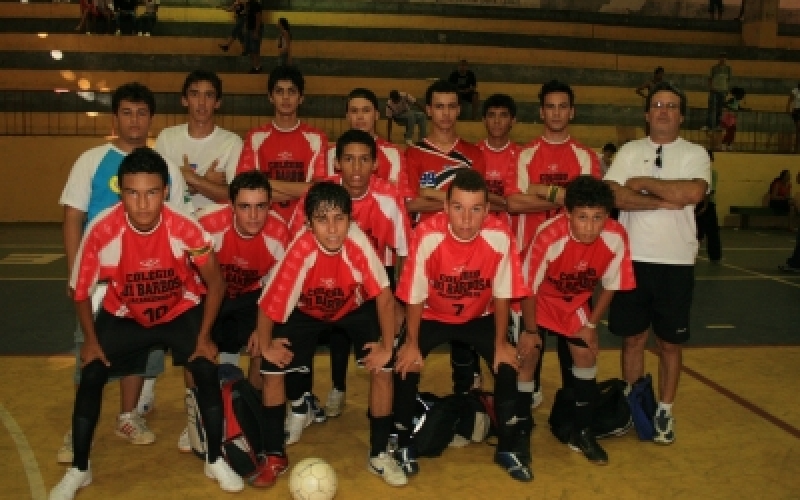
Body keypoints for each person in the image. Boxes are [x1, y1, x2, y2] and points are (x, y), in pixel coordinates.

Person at [49, 147, 243, 500]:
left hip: (178, 311)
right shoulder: (102, 230)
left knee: (204, 368)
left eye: (151, 192)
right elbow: (79, 292)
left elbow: (216, 283)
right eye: (132, 193)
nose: (142, 204)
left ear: (166, 191)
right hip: (125, 314)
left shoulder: (186, 229)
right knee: (91, 372)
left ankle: (215, 458)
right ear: (120, 192)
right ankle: (80, 468)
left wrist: (204, 337)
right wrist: (91, 342)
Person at [57, 82, 192, 465]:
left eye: (142, 113)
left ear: (152, 118)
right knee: (92, 350)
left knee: (138, 350)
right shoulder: (91, 160)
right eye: (127, 113)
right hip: (99, 281)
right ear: (115, 117)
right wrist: (74, 274)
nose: (135, 120)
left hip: (148, 280)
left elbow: (181, 219)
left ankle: (127, 416)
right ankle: (78, 426)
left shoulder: (161, 166)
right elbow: (72, 217)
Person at [256, 181, 406, 487]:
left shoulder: (358, 243)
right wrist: (266, 345)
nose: (333, 229)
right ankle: (274, 454)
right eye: (322, 220)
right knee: (272, 369)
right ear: (308, 224)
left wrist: (387, 346)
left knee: (383, 367)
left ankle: (379, 454)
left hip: (353, 308)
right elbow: (269, 304)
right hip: (306, 311)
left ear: (351, 220)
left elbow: (385, 298)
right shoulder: (300, 249)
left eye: (340, 218)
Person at [393, 169, 531, 482]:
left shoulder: (500, 236)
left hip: (479, 316)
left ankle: (508, 447)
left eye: (476, 209)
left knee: (507, 365)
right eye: (458, 208)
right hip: (431, 314)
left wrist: (500, 343)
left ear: (487, 210)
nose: (466, 219)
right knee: (406, 364)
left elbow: (502, 293)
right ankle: (401, 441)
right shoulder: (427, 234)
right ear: (445, 208)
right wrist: (412, 343)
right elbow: (415, 294)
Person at [604, 81, 711, 445]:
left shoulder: (696, 153)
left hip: (676, 263)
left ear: (681, 115)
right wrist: (663, 198)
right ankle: (636, 406)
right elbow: (614, 195)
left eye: (671, 105)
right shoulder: (629, 151)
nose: (664, 110)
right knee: (632, 339)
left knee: (669, 344)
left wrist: (643, 184)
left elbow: (693, 193)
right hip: (633, 260)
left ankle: (664, 410)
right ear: (647, 113)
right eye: (658, 105)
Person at [291, 129, 411, 425]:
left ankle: (386, 422)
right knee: (285, 343)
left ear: (375, 164)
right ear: (337, 163)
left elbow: (405, 252)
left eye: (363, 160)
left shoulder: (389, 197)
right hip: (321, 282)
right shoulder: (318, 196)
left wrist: (399, 302)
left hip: (373, 285)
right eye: (349, 160)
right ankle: (300, 404)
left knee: (386, 352)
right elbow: (295, 248)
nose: (356, 169)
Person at [520, 175, 635, 465]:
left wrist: (592, 326)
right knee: (528, 356)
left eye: (597, 217)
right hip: (537, 299)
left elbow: (611, 285)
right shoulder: (549, 236)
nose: (590, 226)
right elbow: (528, 288)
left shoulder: (616, 236)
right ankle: (519, 426)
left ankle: (583, 430)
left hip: (574, 302)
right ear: (567, 213)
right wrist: (531, 332)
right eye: (582, 217)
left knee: (585, 355)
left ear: (607, 216)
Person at [505, 79, 602, 412]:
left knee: (574, 344)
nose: (557, 112)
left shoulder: (586, 157)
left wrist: (539, 190)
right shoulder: (525, 154)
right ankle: (525, 401)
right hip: (529, 264)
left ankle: (572, 405)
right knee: (529, 342)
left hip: (572, 265)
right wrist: (564, 197)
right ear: (541, 111)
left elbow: (588, 205)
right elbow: (514, 204)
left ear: (572, 111)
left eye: (563, 106)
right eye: (550, 106)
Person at [405, 79, 503, 394]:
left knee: (467, 321)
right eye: (438, 106)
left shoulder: (474, 152)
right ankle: (407, 398)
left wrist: (432, 193)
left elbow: (479, 200)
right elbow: (411, 202)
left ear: (458, 110)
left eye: (451, 106)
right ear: (428, 110)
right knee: (425, 323)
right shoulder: (415, 154)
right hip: (429, 251)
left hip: (469, 248)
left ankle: (468, 394)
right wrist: (445, 200)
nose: (445, 113)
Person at [188, 171, 289, 462]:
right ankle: (197, 417)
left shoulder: (279, 234)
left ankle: (251, 412)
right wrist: (201, 329)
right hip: (209, 292)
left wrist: (262, 329)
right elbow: (188, 274)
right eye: (245, 206)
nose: (254, 215)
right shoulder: (206, 223)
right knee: (198, 351)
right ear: (231, 206)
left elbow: (275, 290)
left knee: (263, 348)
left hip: (251, 295)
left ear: (270, 205)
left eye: (261, 206)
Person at [236, 65, 327, 225]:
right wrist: (302, 189)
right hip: (264, 223)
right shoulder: (255, 137)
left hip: (303, 223)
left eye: (291, 91)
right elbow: (245, 190)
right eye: (279, 91)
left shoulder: (316, 137)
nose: (285, 97)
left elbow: (319, 191)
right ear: (270, 97)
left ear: (301, 98)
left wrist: (265, 185)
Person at [155, 70, 243, 212]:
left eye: (209, 95)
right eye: (194, 94)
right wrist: (205, 182)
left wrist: (191, 178)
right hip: (177, 226)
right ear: (184, 100)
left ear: (217, 102)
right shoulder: (166, 138)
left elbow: (237, 196)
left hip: (217, 227)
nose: (202, 103)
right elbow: (157, 193)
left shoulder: (233, 142)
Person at [695, 149, 722, 263]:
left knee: (712, 231)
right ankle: (692, 253)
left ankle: (715, 256)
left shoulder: (712, 173)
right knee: (696, 231)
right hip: (696, 202)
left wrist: (705, 206)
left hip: (708, 203)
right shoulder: (695, 172)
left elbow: (710, 191)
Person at [704, 53, 732, 131]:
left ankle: (718, 125)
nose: (723, 59)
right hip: (714, 90)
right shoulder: (714, 68)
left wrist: (727, 90)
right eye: (721, 58)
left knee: (720, 109)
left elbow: (728, 80)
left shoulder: (728, 69)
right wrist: (711, 87)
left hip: (723, 91)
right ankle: (709, 125)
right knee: (711, 108)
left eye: (724, 58)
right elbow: (710, 79)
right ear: (719, 59)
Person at [720, 87, 748, 151]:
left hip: (732, 118)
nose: (742, 97)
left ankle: (729, 144)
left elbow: (738, 108)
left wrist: (746, 109)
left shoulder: (737, 101)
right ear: (736, 95)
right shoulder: (732, 100)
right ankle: (724, 144)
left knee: (732, 132)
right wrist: (731, 109)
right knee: (730, 132)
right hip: (728, 118)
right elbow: (724, 104)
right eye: (741, 96)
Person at [244, 0, 264, 73]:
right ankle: (254, 66)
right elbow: (247, 16)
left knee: (255, 49)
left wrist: (256, 31)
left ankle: (257, 66)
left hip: (254, 29)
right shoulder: (248, 4)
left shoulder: (256, 5)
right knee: (250, 49)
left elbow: (258, 18)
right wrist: (246, 27)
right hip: (250, 29)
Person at [786, 83, 800, 153]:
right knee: (798, 128)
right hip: (797, 110)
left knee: (798, 130)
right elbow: (790, 100)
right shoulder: (795, 91)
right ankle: (796, 148)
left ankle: (796, 147)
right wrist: (788, 108)